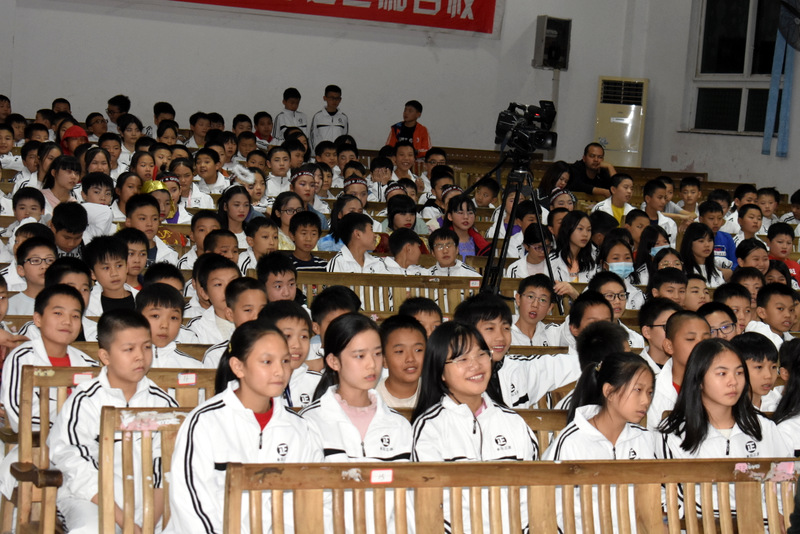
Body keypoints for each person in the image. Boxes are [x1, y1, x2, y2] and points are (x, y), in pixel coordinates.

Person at [166, 320, 322, 534]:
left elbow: (308, 501)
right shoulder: (204, 422)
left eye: (285, 361)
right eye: (267, 362)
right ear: (238, 367)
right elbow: (190, 505)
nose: (280, 371)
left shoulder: (301, 429)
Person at [49, 309, 178, 534]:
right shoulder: (85, 400)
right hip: (92, 500)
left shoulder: (163, 403)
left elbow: (165, 466)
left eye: (147, 347)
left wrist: (147, 524)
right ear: (105, 356)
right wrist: (125, 522)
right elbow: (76, 465)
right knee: (92, 530)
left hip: (150, 503)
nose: (140, 356)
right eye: (129, 349)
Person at [411, 320, 537, 533]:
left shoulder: (513, 422)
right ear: (441, 371)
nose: (475, 365)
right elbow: (434, 506)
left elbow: (531, 494)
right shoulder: (430, 428)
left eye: (481, 354)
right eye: (462, 359)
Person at [656, 338, 790, 523]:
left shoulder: (763, 426)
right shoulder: (673, 433)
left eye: (739, 373)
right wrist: (763, 514)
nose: (733, 382)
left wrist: (781, 515)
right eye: (722, 373)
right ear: (699, 379)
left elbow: (786, 481)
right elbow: (686, 500)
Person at [301, 313, 412, 530]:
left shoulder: (399, 425)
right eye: (360, 356)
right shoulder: (310, 423)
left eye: (377, 354)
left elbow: (408, 501)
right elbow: (307, 501)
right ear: (333, 361)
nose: (372, 364)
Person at [543, 351, 655, 532]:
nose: (646, 401)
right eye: (638, 390)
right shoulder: (571, 441)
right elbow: (548, 505)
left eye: (650, 392)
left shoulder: (644, 439)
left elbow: (654, 499)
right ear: (609, 392)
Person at [647, 311, 711, 430]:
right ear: (669, 346)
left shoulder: (719, 384)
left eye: (706, 339)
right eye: (691, 339)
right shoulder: (651, 390)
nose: (700, 345)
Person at [258, 300, 320, 408]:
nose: (297, 345)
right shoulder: (254, 385)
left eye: (304, 336)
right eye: (287, 336)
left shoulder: (317, 384)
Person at [136, 284, 202, 368]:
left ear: (181, 321)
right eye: (155, 316)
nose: (165, 325)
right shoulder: (122, 362)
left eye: (173, 318)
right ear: (138, 317)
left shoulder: (192, 366)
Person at [187, 254, 240, 345]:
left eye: (233, 282)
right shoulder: (197, 328)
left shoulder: (257, 320)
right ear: (204, 293)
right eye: (218, 284)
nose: (227, 289)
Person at [376, 315, 426, 409]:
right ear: (384, 360)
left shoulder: (436, 396)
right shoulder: (372, 399)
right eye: (399, 351)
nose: (410, 358)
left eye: (418, 350)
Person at [730, 332, 781, 411]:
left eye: (773, 367)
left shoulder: (778, 402)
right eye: (759, 367)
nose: (769, 375)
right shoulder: (727, 410)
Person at [548, 210, 598, 291]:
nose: (585, 234)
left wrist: (573, 294)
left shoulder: (592, 261)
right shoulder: (551, 261)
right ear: (568, 229)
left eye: (589, 230)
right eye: (580, 229)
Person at [124, 194, 178, 266]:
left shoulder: (170, 255)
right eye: (143, 218)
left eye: (154, 219)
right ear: (128, 222)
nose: (149, 224)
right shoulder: (117, 251)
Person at [8, 237, 57, 316]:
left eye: (50, 260)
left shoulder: (68, 302)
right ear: (21, 270)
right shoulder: (10, 305)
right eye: (35, 260)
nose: (44, 266)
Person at [745, 282, 796, 349]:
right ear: (762, 312)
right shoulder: (755, 336)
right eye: (780, 308)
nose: (788, 315)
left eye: (791, 310)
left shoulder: (790, 339)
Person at [511, 274, 558, 346]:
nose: (535, 305)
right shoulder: (502, 330)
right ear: (518, 299)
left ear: (549, 308)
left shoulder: (552, 333)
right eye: (530, 297)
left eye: (542, 300)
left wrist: (573, 294)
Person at [681, 222, 726, 287]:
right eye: (701, 241)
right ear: (689, 243)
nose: (707, 245)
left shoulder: (716, 271)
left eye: (710, 240)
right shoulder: (682, 271)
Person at [641, 179, 678, 248]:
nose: (663, 201)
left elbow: (672, 248)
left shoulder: (670, 223)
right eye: (660, 198)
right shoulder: (636, 220)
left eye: (664, 198)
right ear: (648, 198)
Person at [310, 84, 348, 149]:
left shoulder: (343, 117)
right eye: (331, 98)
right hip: (322, 152)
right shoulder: (318, 116)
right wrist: (315, 153)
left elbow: (344, 137)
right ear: (325, 98)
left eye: (337, 98)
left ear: (340, 99)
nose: (334, 101)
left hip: (337, 152)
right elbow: (312, 137)